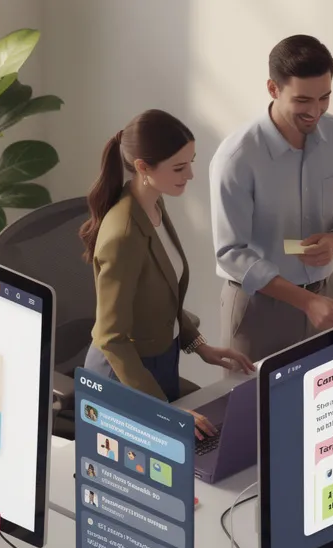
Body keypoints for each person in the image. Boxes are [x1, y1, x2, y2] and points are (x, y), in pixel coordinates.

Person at [81, 109, 254, 438]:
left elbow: (164, 298)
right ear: (143, 168)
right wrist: (163, 412)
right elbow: (111, 339)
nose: (190, 174)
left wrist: (202, 346)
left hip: (163, 359)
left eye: (190, 162)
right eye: (179, 167)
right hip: (125, 376)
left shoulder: (154, 205)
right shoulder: (123, 234)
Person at [211, 35, 333, 362]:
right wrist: (304, 301)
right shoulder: (238, 158)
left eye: (324, 97)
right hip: (259, 310)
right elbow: (230, 252)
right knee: (250, 411)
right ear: (273, 89)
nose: (315, 111)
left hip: (325, 297)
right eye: (303, 101)